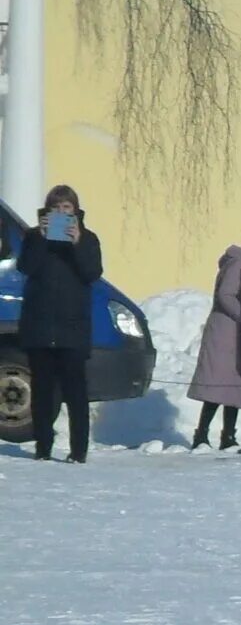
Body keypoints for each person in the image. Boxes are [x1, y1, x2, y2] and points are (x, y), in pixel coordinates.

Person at [19, 185, 104, 462]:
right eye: (56, 208)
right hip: (40, 325)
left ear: (75, 211)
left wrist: (77, 242)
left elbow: (92, 273)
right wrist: (43, 238)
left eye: (66, 208)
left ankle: (78, 451)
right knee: (42, 391)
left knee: (75, 392)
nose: (61, 213)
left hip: (73, 328)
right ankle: (43, 447)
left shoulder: (88, 239)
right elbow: (26, 268)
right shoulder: (33, 237)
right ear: (47, 211)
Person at [189, 231, 241, 450]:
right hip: (227, 334)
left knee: (233, 387)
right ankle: (202, 434)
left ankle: (228, 435)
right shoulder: (238, 265)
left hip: (238, 336)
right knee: (218, 385)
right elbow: (225, 295)